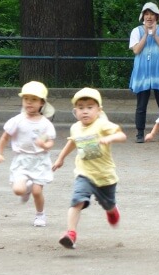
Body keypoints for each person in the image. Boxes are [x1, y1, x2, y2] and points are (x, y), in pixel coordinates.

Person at [52, 88, 126, 249]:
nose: (85, 111)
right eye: (80, 107)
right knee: (77, 201)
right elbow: (73, 142)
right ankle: (71, 233)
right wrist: (60, 158)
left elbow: (122, 136)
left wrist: (109, 138)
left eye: (90, 107)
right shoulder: (76, 127)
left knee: (108, 203)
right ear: (75, 111)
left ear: (99, 110)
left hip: (105, 176)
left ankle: (111, 209)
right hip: (84, 173)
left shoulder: (102, 124)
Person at [0, 81, 56, 227]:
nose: (29, 102)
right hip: (21, 160)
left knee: (36, 191)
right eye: (26, 99)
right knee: (18, 190)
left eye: (34, 99)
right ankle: (25, 189)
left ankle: (40, 214)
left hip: (39, 161)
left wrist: (44, 145)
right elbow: (5, 137)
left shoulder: (46, 124)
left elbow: (50, 142)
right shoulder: (17, 120)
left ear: (42, 102)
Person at [129, 1, 159, 144]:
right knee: (141, 105)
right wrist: (146, 35)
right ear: (143, 16)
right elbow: (136, 50)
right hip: (142, 72)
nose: (149, 17)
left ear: (157, 16)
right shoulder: (136, 31)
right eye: (146, 14)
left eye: (152, 14)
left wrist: (155, 35)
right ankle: (140, 133)